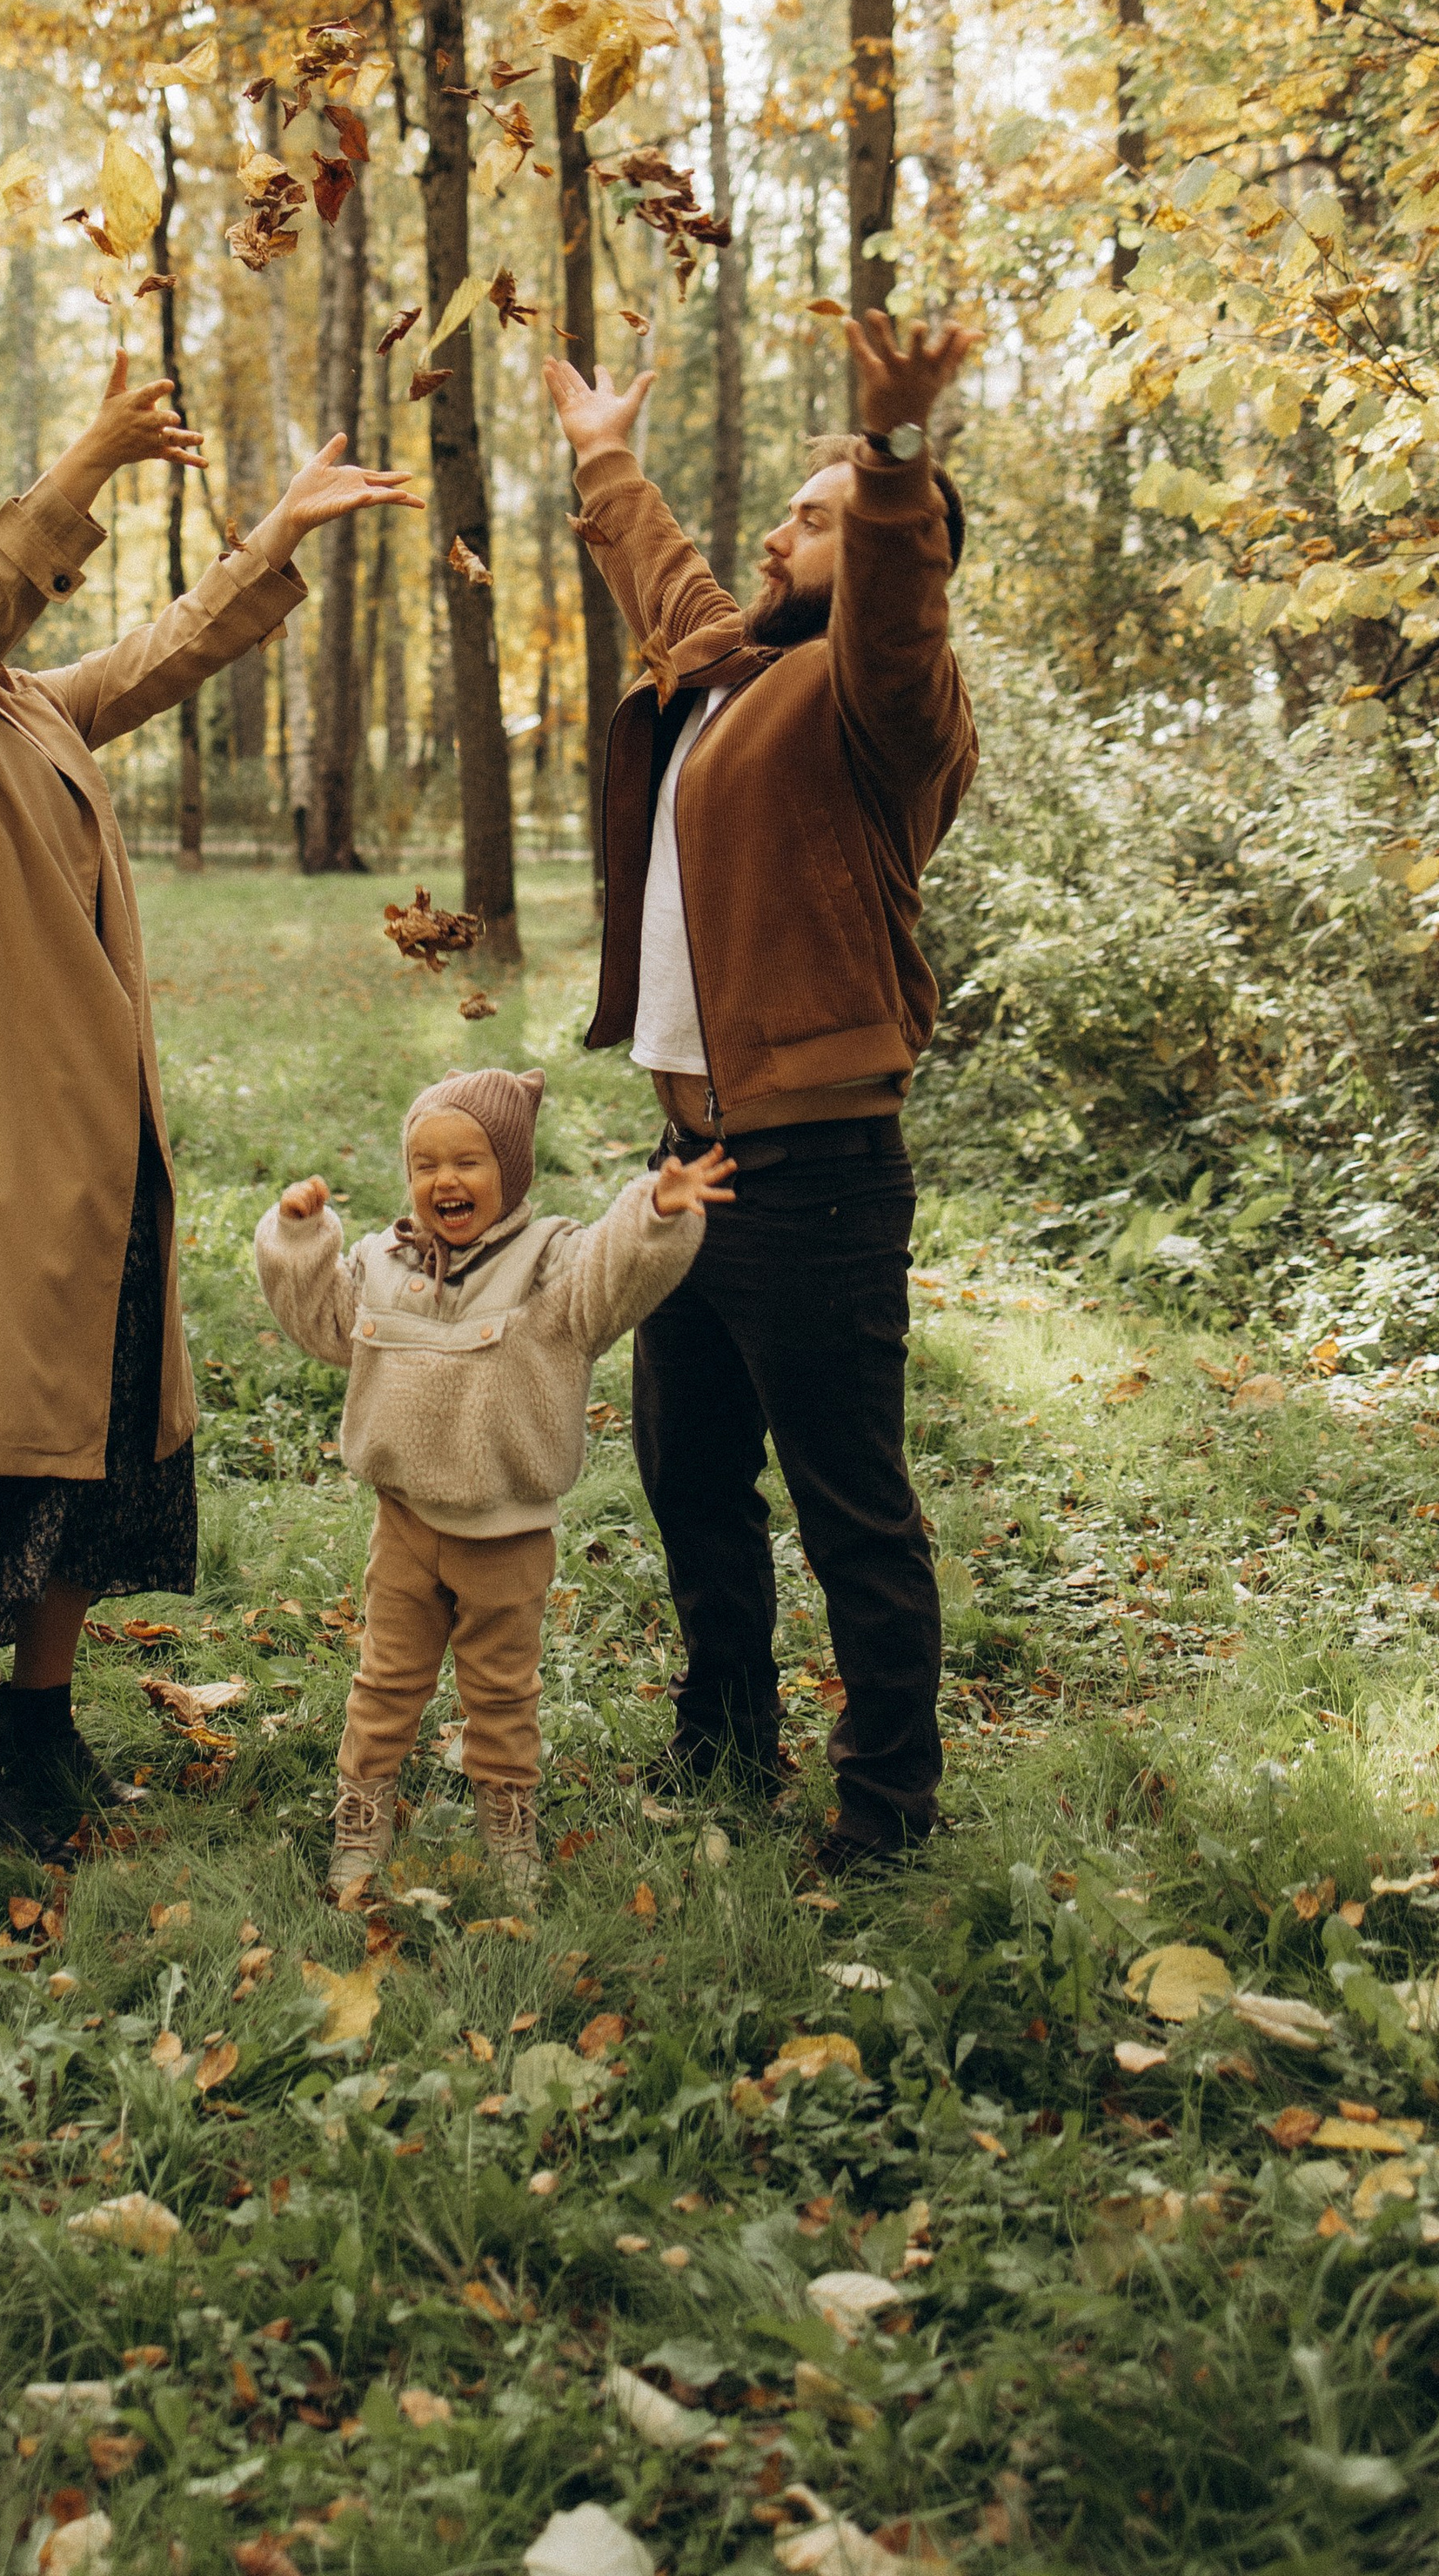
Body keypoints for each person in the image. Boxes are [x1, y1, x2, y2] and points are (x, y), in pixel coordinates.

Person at [0, 351, 419, 1863]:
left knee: (95, 1436)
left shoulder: (28, 715)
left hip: (94, 1152)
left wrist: (273, 540)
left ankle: (47, 1726)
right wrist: (82, 466)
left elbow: (168, 649)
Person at [539, 311, 978, 1870]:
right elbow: (667, 582)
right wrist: (604, 455)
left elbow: (901, 596)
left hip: (819, 1171)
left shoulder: (882, 704)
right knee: (691, 1474)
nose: (773, 532)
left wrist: (894, 452)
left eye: (808, 516)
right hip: (694, 1167)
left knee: (850, 1501)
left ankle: (885, 1810)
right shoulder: (734, 671)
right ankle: (726, 1735)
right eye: (790, 511)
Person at [254, 1063, 733, 1897]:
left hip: (507, 1533)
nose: (446, 1179)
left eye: (468, 1160)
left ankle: (508, 1826)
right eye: (426, 1162)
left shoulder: (549, 1268)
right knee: (385, 1681)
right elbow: (325, 1319)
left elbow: (614, 1275)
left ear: (509, 1170)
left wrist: (652, 1212)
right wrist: (299, 1236)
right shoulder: (386, 1264)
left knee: (503, 1693)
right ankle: (362, 1815)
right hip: (405, 1524)